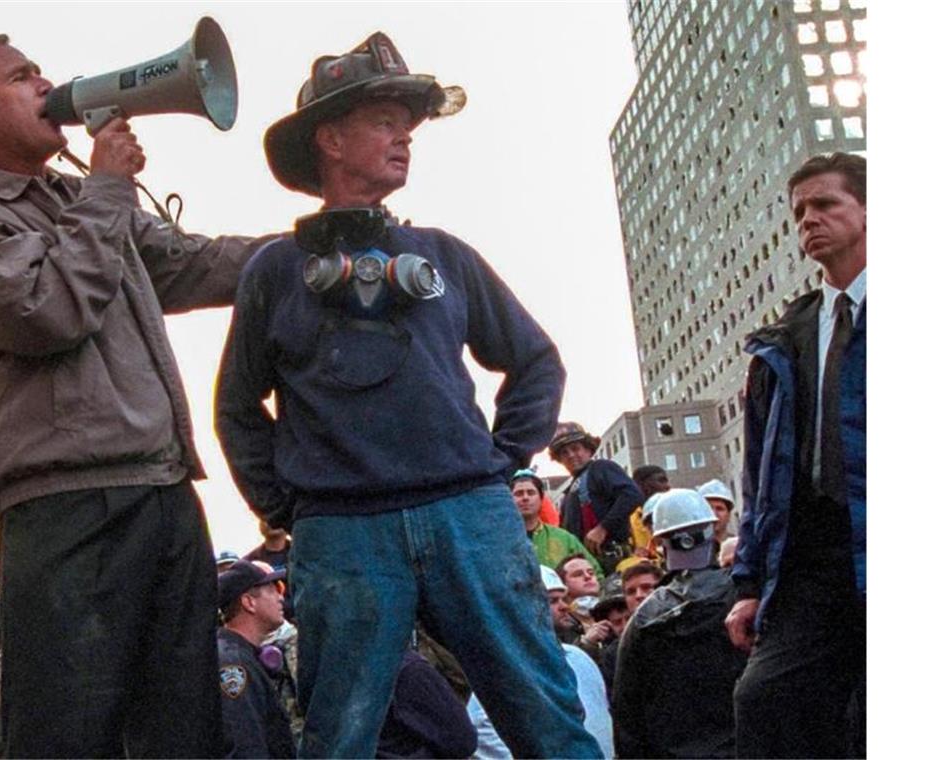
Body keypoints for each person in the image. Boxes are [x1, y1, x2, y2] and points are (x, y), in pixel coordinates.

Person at [215, 31, 600, 759]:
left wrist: (495, 462)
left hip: (467, 515)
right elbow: (237, 407)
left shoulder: (443, 256)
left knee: (546, 718)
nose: (404, 140)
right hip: (343, 531)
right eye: (384, 122)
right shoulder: (276, 272)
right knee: (340, 737)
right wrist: (289, 505)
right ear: (329, 137)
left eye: (409, 126)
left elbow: (535, 360)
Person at [0, 33, 256, 757]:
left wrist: (301, 251)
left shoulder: (80, 202)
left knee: (183, 732)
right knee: (68, 732)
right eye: (21, 77)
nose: (48, 84)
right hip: (69, 511)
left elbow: (193, 265)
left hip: (163, 493)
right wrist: (105, 187)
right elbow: (46, 312)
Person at [727, 152, 866, 758]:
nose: (810, 220)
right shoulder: (787, 339)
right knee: (765, 700)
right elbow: (761, 475)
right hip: (813, 561)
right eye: (800, 211)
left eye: (827, 204)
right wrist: (749, 583)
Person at [613, 490, 748, 758]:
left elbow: (627, 712)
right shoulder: (744, 598)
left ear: (660, 543)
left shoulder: (644, 618)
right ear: (711, 531)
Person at [466, 566, 613, 759]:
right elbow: (481, 730)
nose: (564, 607)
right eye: (552, 600)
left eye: (563, 599)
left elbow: (602, 720)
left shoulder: (580, 658)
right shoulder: (506, 664)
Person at [217, 560, 298, 759]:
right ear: (249, 602)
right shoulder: (233, 664)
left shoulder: (241, 655)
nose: (281, 598)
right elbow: (245, 745)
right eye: (272, 590)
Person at [551, 423, 645, 573]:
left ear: (588, 449)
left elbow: (632, 495)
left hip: (614, 560)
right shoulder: (568, 493)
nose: (571, 455)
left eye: (575, 448)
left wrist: (603, 528)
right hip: (589, 566)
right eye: (564, 452)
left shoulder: (601, 468)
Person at [511, 469, 601, 574]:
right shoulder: (497, 540)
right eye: (519, 494)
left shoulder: (565, 539)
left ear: (541, 499)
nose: (525, 497)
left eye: (531, 493)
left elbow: (596, 573)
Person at [696, 478, 736, 549]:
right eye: (709, 508)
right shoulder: (693, 549)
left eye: (720, 509)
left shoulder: (740, 547)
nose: (714, 514)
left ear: (729, 515)